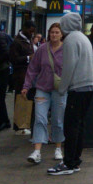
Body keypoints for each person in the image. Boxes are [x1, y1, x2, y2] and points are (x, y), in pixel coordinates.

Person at [48, 13, 93, 176]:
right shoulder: (83, 38)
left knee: (70, 126)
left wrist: (62, 88)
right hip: (88, 87)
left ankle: (68, 163)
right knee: (79, 125)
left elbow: (69, 67)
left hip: (77, 88)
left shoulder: (70, 41)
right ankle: (75, 160)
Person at [22, 22, 65, 164]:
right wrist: (26, 86)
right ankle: (37, 151)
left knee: (58, 120)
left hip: (59, 90)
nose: (54, 35)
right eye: (52, 32)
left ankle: (58, 147)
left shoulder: (66, 49)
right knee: (40, 118)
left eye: (57, 32)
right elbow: (33, 68)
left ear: (61, 34)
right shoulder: (42, 49)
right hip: (42, 88)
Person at [10, 20, 35, 134]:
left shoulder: (27, 40)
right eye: (30, 31)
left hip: (28, 74)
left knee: (26, 99)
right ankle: (18, 126)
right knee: (20, 98)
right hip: (20, 75)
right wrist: (29, 58)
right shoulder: (17, 42)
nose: (32, 33)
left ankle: (24, 124)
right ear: (24, 28)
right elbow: (14, 59)